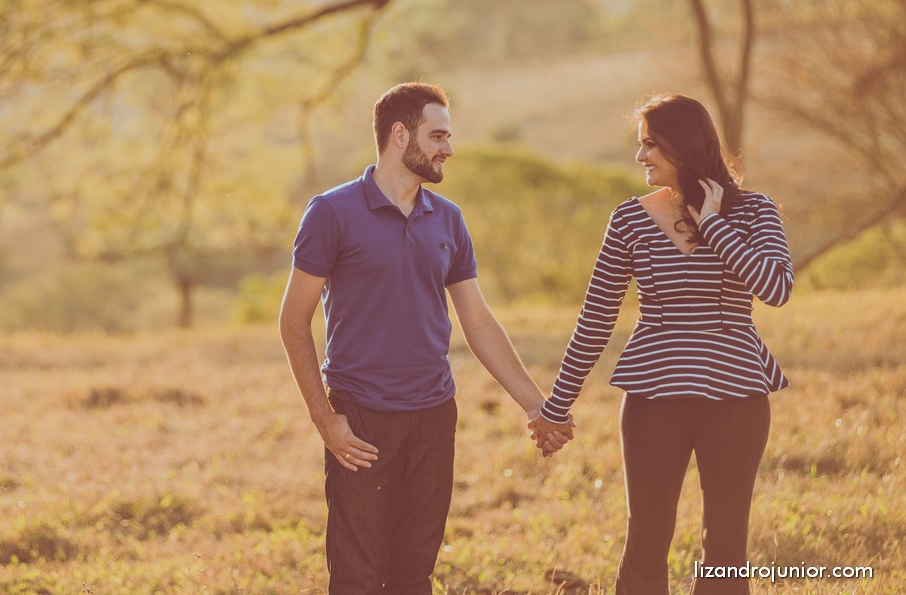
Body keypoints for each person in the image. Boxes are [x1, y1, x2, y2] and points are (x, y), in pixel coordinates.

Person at [279, 82, 558, 595]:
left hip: (433, 416)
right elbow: (293, 320)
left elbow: (477, 322)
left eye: (448, 137)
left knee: (414, 574)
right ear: (399, 133)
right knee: (358, 578)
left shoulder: (448, 219)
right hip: (360, 419)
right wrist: (325, 419)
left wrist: (536, 405)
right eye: (438, 136)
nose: (447, 149)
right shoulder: (332, 212)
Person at [530, 93, 793, 595]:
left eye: (650, 144)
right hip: (654, 399)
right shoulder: (628, 219)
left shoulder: (756, 211)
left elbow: (776, 288)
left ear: (683, 144)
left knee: (726, 549)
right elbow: (596, 318)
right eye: (640, 144)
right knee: (646, 543)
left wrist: (713, 222)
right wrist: (557, 406)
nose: (639, 156)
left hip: (737, 399)